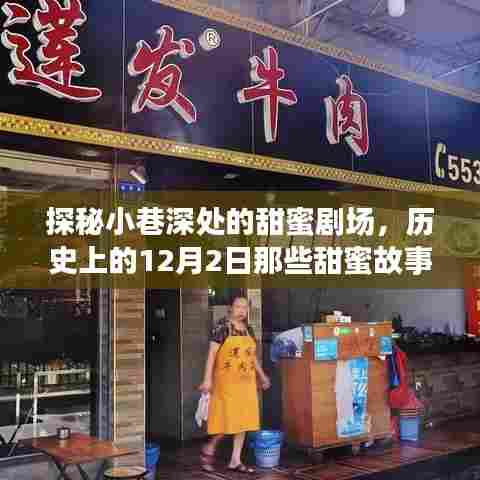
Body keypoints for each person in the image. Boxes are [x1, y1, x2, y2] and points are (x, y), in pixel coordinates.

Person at [198, 296, 271, 474]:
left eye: (245, 308)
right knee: (227, 418)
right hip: (226, 383)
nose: (242, 311)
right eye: (238, 307)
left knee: (244, 420)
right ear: (230, 308)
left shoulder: (248, 329)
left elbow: (252, 357)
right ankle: (210, 447)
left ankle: (235, 460)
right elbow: (212, 354)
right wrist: (207, 379)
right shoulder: (222, 327)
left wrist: (262, 376)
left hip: (246, 382)